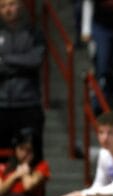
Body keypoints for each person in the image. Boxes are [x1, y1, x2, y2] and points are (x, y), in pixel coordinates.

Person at [0, 0, 46, 161]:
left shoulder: (34, 32)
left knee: (34, 156)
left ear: (20, 5)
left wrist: (5, 60)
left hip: (29, 103)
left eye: (11, 4)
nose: (8, 10)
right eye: (3, 6)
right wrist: (21, 63)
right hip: (2, 105)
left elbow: (35, 60)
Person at [0, 128, 50, 196]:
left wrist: (24, 170)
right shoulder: (3, 167)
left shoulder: (41, 167)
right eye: (21, 149)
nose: (25, 153)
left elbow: (28, 186)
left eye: (29, 150)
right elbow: (1, 191)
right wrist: (15, 175)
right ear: (15, 149)